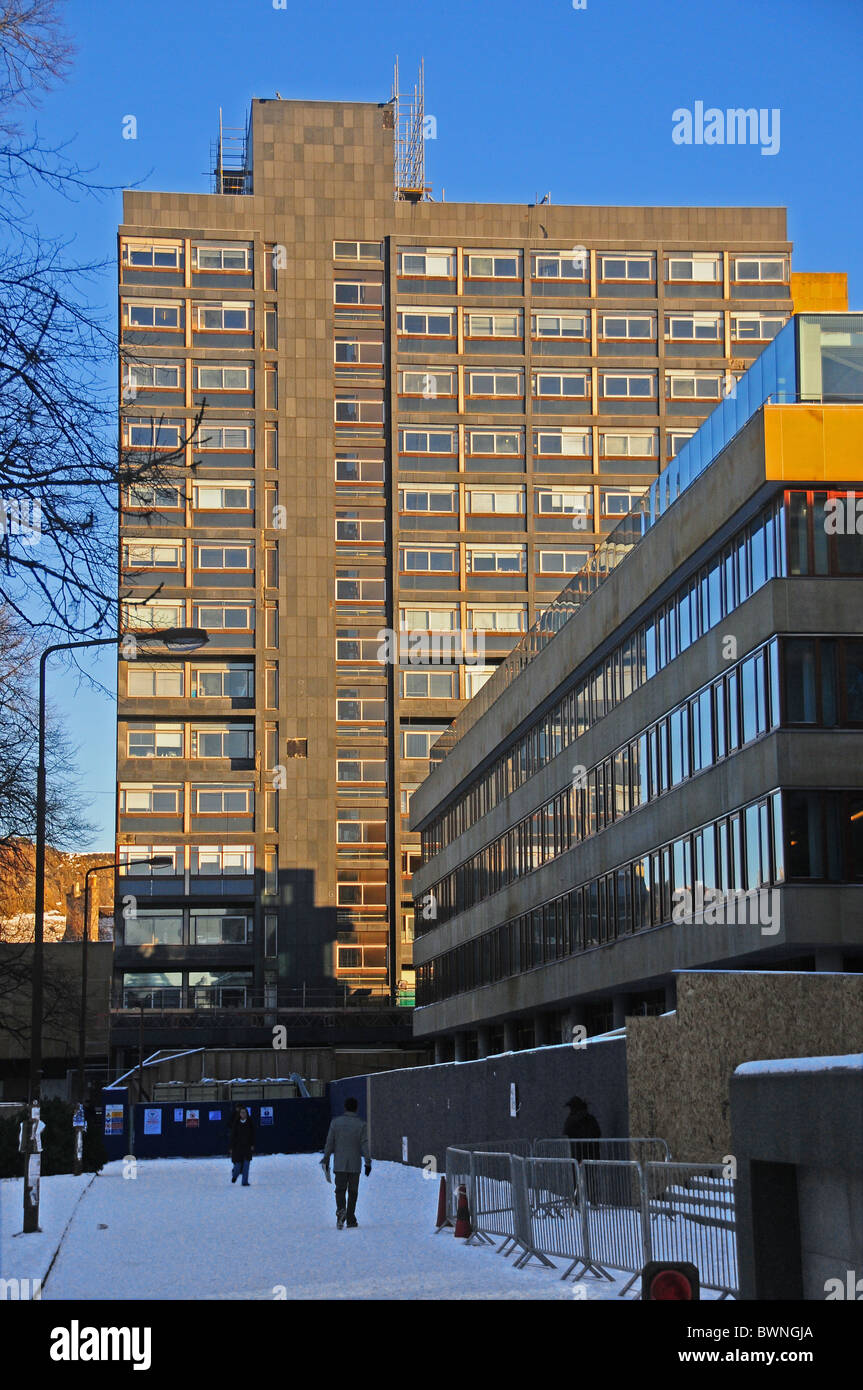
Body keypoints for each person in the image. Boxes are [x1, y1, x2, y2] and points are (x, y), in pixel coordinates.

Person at [321, 1096, 371, 1228]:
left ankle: (341, 1211)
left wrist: (326, 1158)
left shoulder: (335, 1123)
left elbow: (330, 1142)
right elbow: (364, 1144)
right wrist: (368, 1162)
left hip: (340, 1163)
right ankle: (350, 1218)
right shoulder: (361, 1124)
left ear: (345, 1107)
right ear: (356, 1108)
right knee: (353, 1192)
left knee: (340, 1190)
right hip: (355, 1164)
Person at [564, 1095, 601, 1205]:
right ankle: (593, 1202)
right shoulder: (590, 1118)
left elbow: (566, 1133)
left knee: (578, 1179)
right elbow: (597, 1133)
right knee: (591, 1179)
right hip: (591, 1153)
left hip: (578, 1154)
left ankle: (577, 1202)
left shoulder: (572, 1120)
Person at [229, 1105, 255, 1186]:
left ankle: (244, 1182)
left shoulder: (250, 1123)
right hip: (238, 1147)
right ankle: (235, 1176)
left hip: (247, 1147)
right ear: (239, 1114)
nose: (243, 1114)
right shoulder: (236, 1124)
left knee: (246, 1165)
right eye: (241, 1112)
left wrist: (252, 1144)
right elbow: (232, 1136)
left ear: (247, 1113)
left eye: (244, 1112)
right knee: (238, 1165)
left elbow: (253, 1135)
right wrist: (231, 1147)